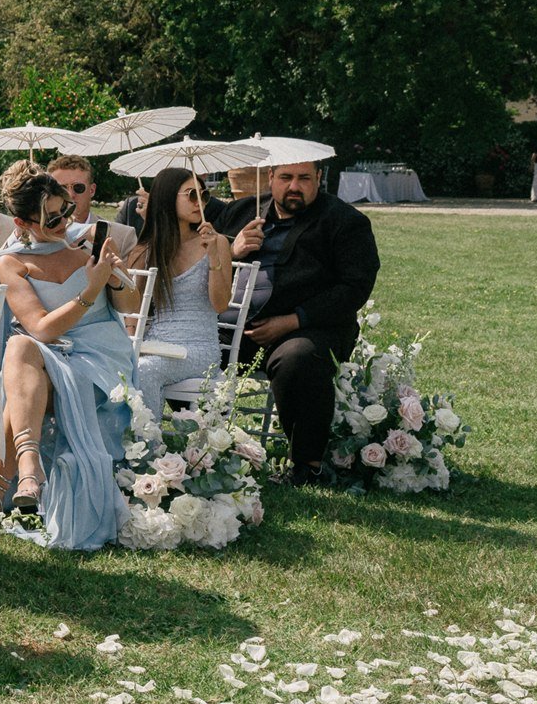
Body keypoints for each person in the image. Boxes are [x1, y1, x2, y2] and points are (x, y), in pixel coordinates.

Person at [0, 174, 137, 550]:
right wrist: (90, 288)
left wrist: (110, 277)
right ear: (22, 224)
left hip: (102, 358)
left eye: (66, 210)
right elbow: (41, 329)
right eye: (52, 218)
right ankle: (26, 468)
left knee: (19, 376)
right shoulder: (11, 261)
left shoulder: (88, 243)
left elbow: (131, 309)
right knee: (21, 348)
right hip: (50, 352)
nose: (65, 222)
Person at [229, 162, 379, 486]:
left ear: (319, 179)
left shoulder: (345, 222)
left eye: (303, 178)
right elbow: (198, 255)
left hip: (310, 327)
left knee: (297, 358)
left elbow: (355, 287)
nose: (294, 186)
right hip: (235, 327)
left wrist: (293, 320)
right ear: (270, 178)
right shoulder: (242, 213)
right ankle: (195, 445)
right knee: (185, 345)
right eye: (285, 177)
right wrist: (233, 248)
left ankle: (307, 466)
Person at [126, 168, 234, 418]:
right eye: (191, 195)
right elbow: (131, 309)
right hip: (154, 345)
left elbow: (220, 305)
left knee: (145, 371)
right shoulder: (148, 249)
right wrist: (130, 344)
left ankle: (146, 451)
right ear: (166, 198)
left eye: (203, 195)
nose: (200, 203)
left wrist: (214, 258)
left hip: (198, 348)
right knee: (119, 366)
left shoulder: (216, 242)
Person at [47, 155, 137, 255]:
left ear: (92, 190)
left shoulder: (122, 236)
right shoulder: (40, 235)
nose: (70, 195)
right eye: (62, 189)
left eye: (78, 187)